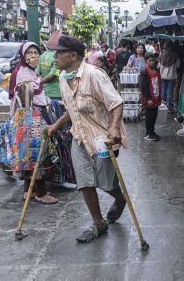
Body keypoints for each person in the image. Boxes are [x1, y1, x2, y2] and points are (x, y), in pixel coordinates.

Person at [46, 34, 128, 244]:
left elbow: (116, 102)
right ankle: (98, 223)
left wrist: (113, 129)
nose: (54, 57)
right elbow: (73, 109)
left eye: (59, 53)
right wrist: (55, 125)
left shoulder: (94, 75)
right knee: (84, 183)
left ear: (73, 55)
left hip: (102, 138)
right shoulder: (64, 79)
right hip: (79, 136)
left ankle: (120, 199)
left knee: (106, 183)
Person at [9, 42, 58, 205]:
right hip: (31, 118)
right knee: (37, 153)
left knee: (30, 154)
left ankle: (27, 191)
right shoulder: (23, 73)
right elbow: (27, 97)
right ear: (23, 56)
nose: (33, 56)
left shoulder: (29, 71)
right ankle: (41, 192)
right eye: (29, 53)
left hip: (31, 115)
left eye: (36, 53)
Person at [140, 52, 161, 141]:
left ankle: (152, 131)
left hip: (156, 97)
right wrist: (148, 98)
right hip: (149, 98)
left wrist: (160, 97)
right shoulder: (144, 72)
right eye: (150, 61)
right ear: (146, 61)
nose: (152, 62)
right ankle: (148, 133)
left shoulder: (156, 70)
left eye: (153, 60)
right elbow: (144, 86)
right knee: (150, 116)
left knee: (154, 115)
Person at [159, 40, 180, 112]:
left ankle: (161, 105)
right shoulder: (175, 55)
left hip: (162, 76)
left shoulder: (162, 54)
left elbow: (158, 65)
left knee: (163, 90)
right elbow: (178, 65)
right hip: (172, 76)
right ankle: (169, 107)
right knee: (170, 92)